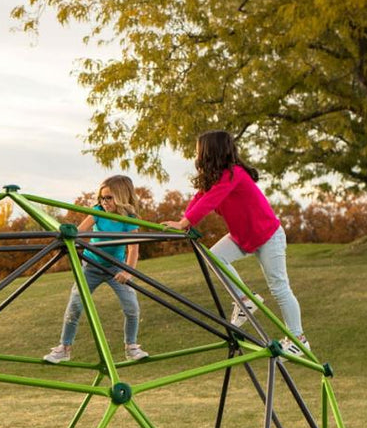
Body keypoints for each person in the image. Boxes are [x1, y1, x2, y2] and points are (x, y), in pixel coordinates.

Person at [163, 130, 309, 356]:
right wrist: (186, 220)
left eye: (198, 151)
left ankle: (299, 340)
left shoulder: (234, 174)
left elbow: (209, 201)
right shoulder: (214, 178)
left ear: (210, 152)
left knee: (279, 287)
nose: (196, 155)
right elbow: (199, 198)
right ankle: (244, 300)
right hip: (242, 237)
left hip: (268, 236)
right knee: (213, 256)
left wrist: (184, 223)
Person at [43, 175, 149, 363]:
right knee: (75, 305)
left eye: (109, 198)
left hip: (116, 269)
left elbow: (133, 248)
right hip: (91, 266)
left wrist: (127, 272)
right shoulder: (98, 212)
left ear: (121, 196)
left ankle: (131, 347)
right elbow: (79, 233)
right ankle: (64, 348)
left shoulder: (129, 219)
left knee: (132, 307)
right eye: (102, 198)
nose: (104, 202)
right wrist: (69, 241)